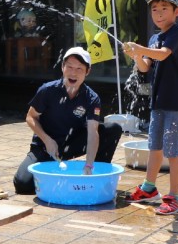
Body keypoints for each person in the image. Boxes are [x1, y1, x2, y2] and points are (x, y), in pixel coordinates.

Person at [12, 47, 123, 195]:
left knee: (112, 129)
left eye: (79, 68)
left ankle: (96, 175)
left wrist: (89, 165)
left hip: (72, 144)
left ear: (87, 71)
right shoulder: (47, 90)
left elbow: (92, 132)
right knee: (22, 185)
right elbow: (30, 117)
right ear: (62, 67)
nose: (73, 72)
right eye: (69, 67)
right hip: (46, 147)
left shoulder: (91, 98)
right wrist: (47, 140)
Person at [122, 0, 178, 215]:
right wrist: (136, 55)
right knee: (155, 147)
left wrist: (141, 48)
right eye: (155, 9)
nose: (159, 13)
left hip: (176, 102)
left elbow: (162, 54)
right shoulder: (154, 37)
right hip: (159, 101)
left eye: (164, 8)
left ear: (177, 11)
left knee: (173, 151)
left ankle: (175, 198)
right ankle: (149, 188)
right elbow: (146, 67)